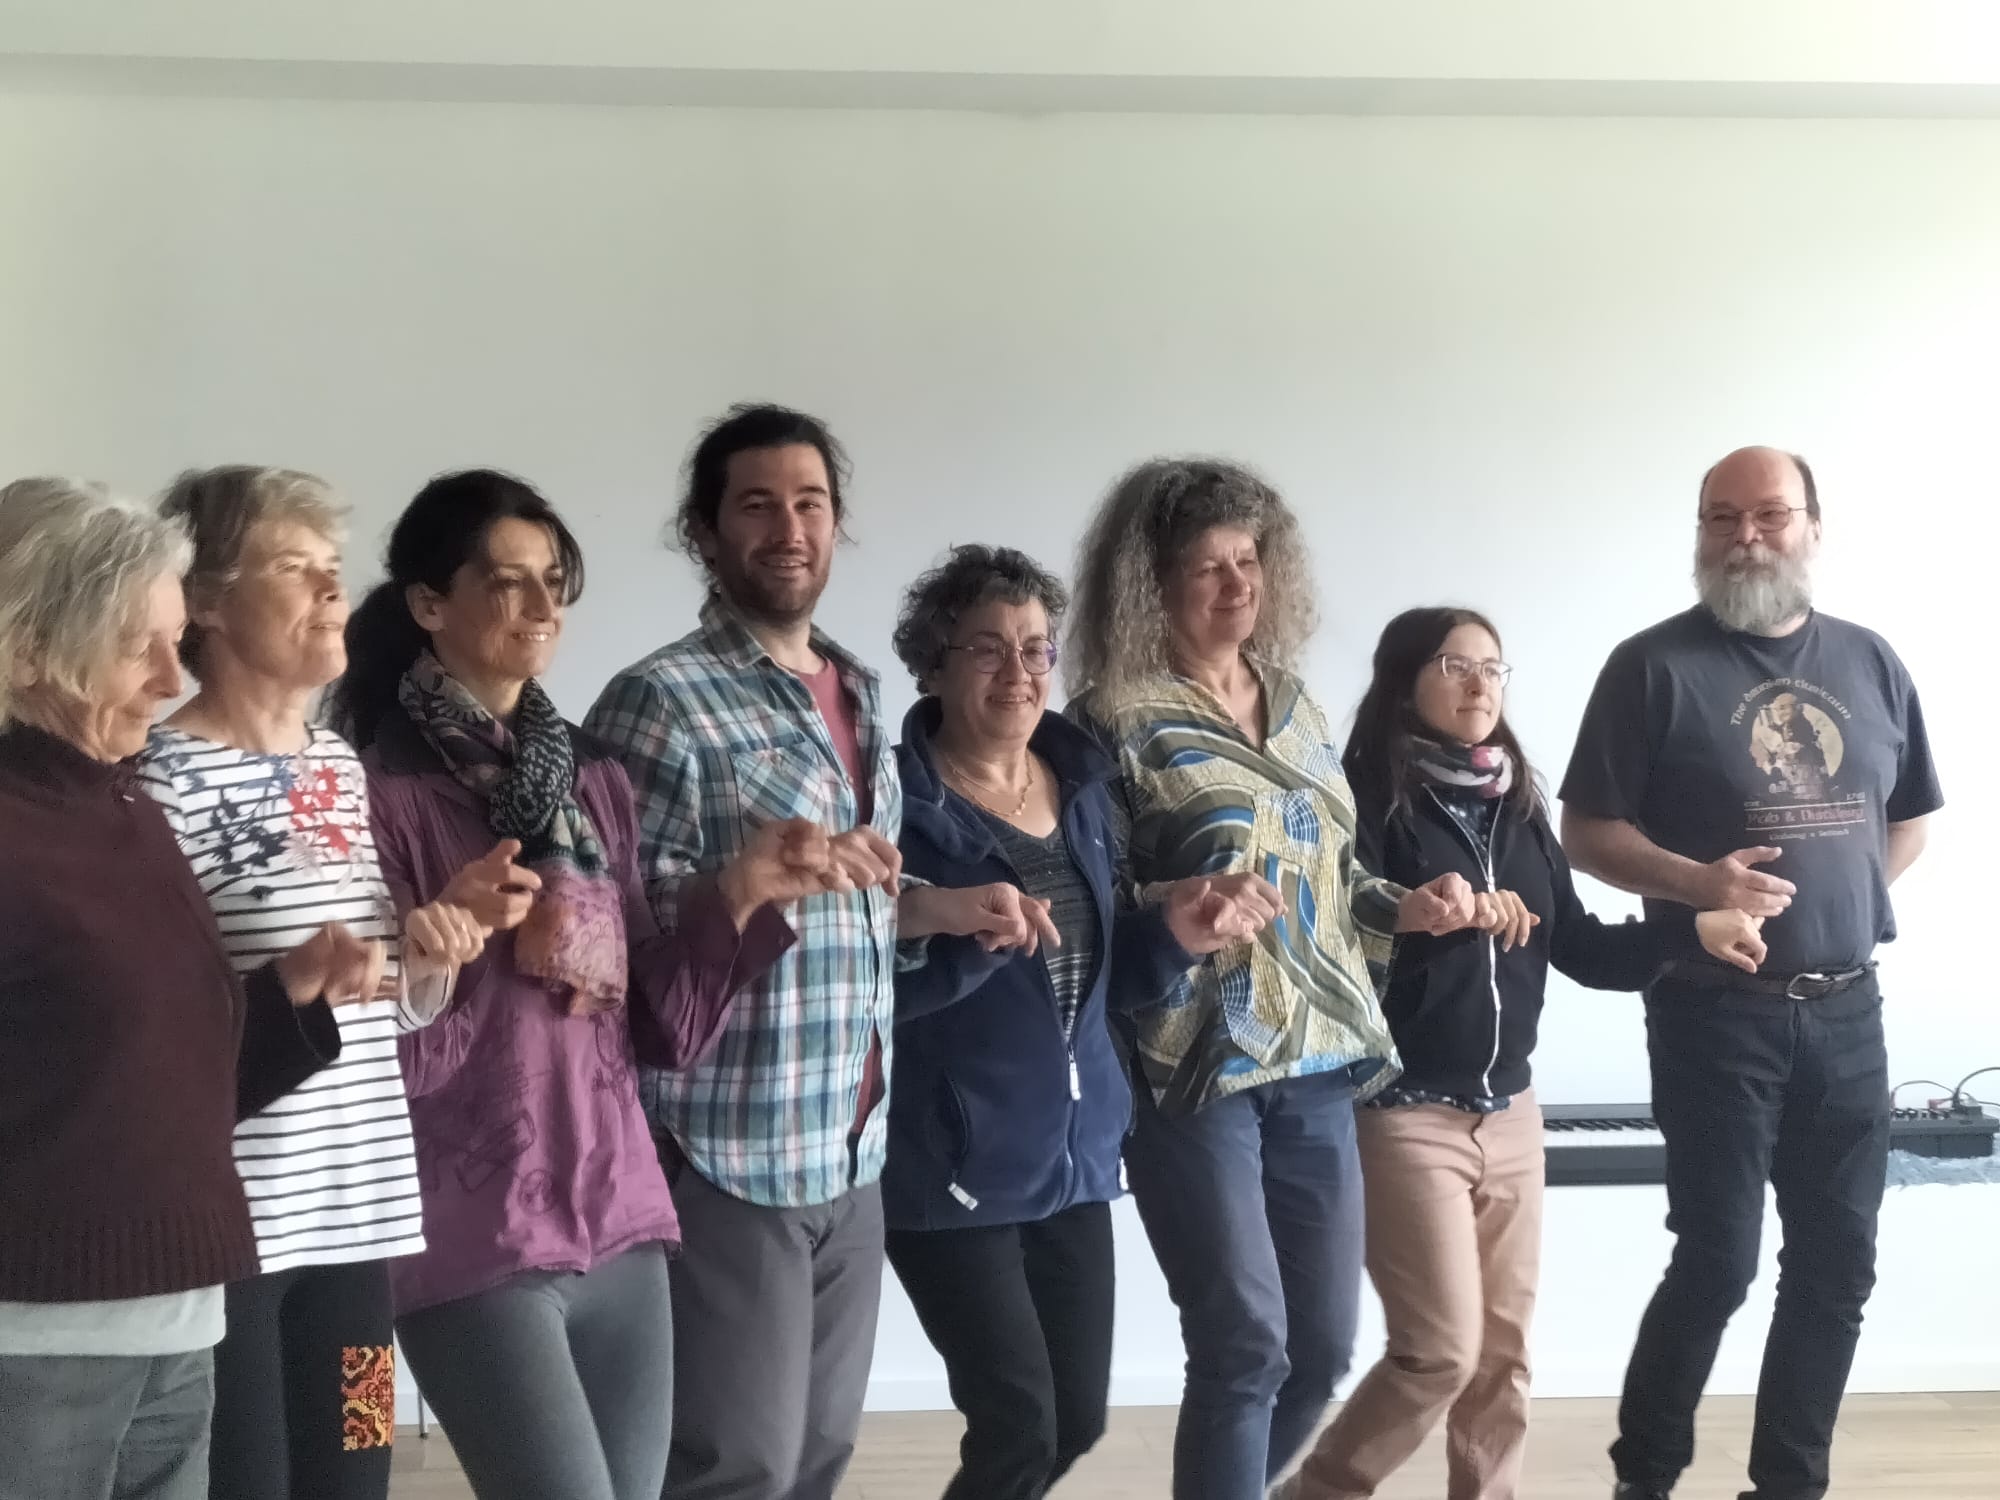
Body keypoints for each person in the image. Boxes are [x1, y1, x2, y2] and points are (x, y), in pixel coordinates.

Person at [328, 469, 831, 1500]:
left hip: (620, 1211)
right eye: (507, 582)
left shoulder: (593, 781)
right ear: (428, 604)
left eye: (553, 581)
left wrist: (740, 893)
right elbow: (375, 1065)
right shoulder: (372, 792)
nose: (542, 607)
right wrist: (442, 950)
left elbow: (654, 1025)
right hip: (472, 1234)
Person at [587, 405, 1047, 1500]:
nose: (788, 529)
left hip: (852, 1146)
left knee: (817, 1458)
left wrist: (937, 908)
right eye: (757, 505)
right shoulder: (658, 702)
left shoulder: (862, 689)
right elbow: (616, 939)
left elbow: (854, 905)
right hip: (726, 1148)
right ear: (704, 531)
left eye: (810, 504)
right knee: (732, 1466)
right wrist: (739, 883)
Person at [1063, 457, 1489, 1500]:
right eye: (1206, 566)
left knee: (1322, 1348)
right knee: (1244, 1342)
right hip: (1192, 1068)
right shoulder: (1105, 721)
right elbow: (1082, 907)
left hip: (1318, 1058)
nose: (1235, 585)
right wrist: (1177, 910)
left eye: (1248, 561)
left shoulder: (1298, 706)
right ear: (1149, 583)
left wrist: (1409, 906)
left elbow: (1333, 877)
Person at [1277, 606, 1767, 1500]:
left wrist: (1690, 929)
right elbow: (1333, 937)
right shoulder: (1359, 800)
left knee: (1503, 1358)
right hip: (1403, 1111)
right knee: (1439, 1352)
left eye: (1493, 668)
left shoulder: (1521, 806)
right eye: (1454, 665)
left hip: (1510, 1113)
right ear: (1404, 682)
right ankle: (1319, 1491)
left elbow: (1578, 947)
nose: (1479, 684)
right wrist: (1435, 917)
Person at [1559, 447, 1942, 1500]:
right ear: (1700, 532)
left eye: (1769, 514)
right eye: (1721, 517)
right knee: (1718, 1262)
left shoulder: (1870, 661)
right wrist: (1698, 883)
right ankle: (1644, 1478)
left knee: (1836, 1267)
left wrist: (1849, 901)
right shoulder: (1650, 668)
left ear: (1813, 525)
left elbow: (1907, 815)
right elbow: (1587, 832)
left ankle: (1788, 1486)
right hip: (1713, 1014)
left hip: (1848, 1014)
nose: (1745, 537)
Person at [0, 477, 375, 1500]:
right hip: (65, 1330)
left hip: (304, 1261)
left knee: (361, 1462)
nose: (170, 679)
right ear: (28, 648)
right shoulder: (146, 786)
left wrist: (298, 995)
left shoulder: (139, 803)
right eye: (141, 648)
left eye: (172, 643)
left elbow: (173, 1061)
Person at [885, 544, 1284, 1500]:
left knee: (1074, 1421)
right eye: (988, 649)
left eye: (1035, 649)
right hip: (949, 1163)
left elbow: (1100, 983)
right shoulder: (895, 802)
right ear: (934, 665)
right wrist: (956, 938)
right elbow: (864, 989)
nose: (1019, 672)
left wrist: (1177, 935)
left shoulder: (1084, 790)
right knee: (1018, 1427)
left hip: (1075, 1158)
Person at [136, 465, 494, 1500]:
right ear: (206, 603)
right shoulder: (157, 780)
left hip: (361, 1220)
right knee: (248, 1482)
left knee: (356, 1471)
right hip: (236, 1234)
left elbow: (377, 995)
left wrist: (435, 952)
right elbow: (158, 1029)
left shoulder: (334, 763)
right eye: (296, 567)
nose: (333, 590)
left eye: (333, 566)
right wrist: (290, 982)